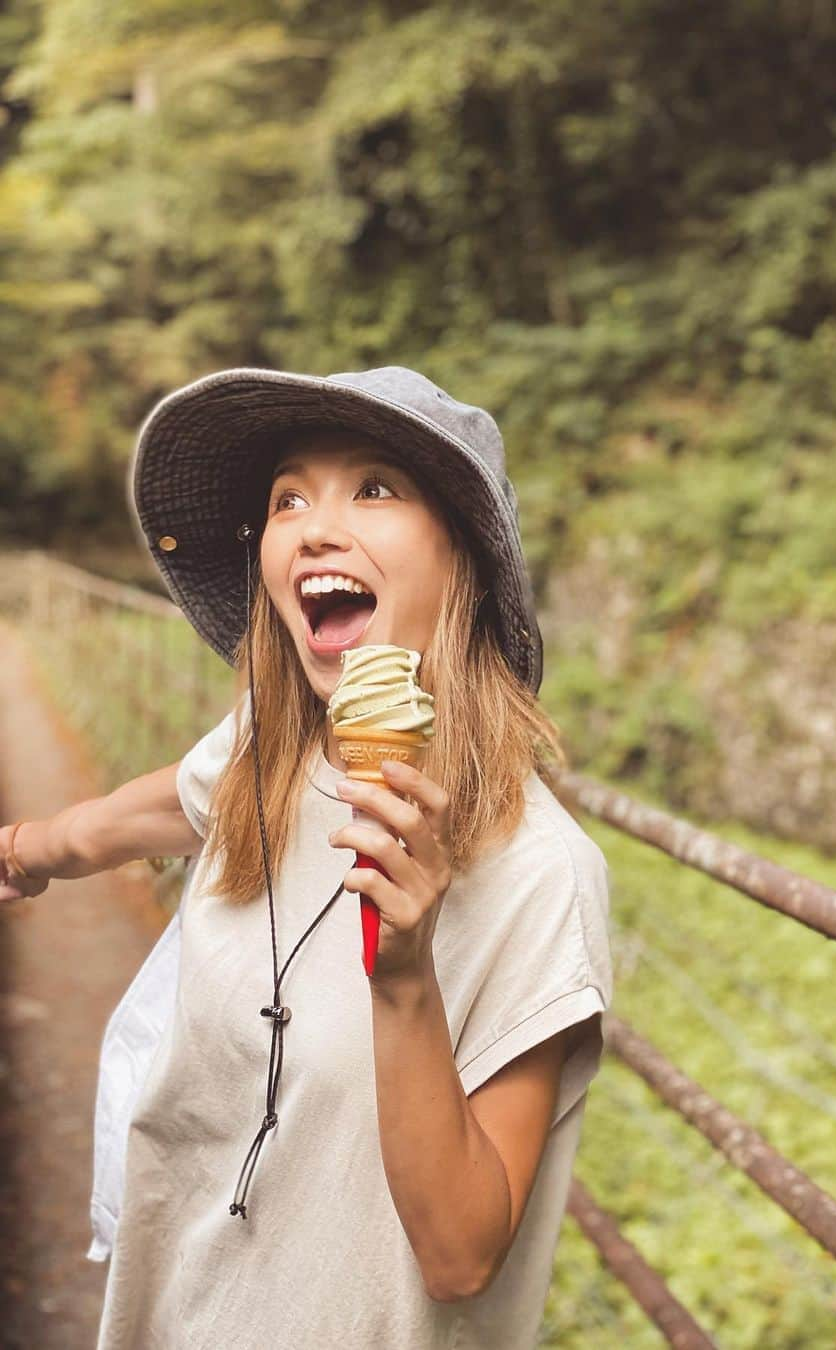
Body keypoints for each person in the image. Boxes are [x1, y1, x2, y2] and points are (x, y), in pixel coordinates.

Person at [0, 366, 613, 1349]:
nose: (315, 527)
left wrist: (405, 976)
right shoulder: (268, 753)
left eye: (376, 488)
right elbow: (173, 800)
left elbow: (462, 1257)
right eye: (290, 498)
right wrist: (34, 848)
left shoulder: (538, 875)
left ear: (462, 555)